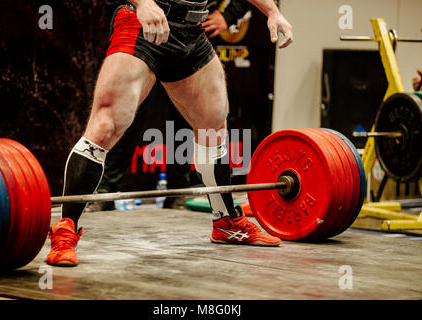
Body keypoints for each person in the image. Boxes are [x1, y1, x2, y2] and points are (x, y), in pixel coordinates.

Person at [46, 0, 293, 267]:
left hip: (191, 32)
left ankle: (226, 222)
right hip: (142, 24)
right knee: (106, 125)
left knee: (213, 128)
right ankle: (65, 227)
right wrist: (142, 3)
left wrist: (273, 12)